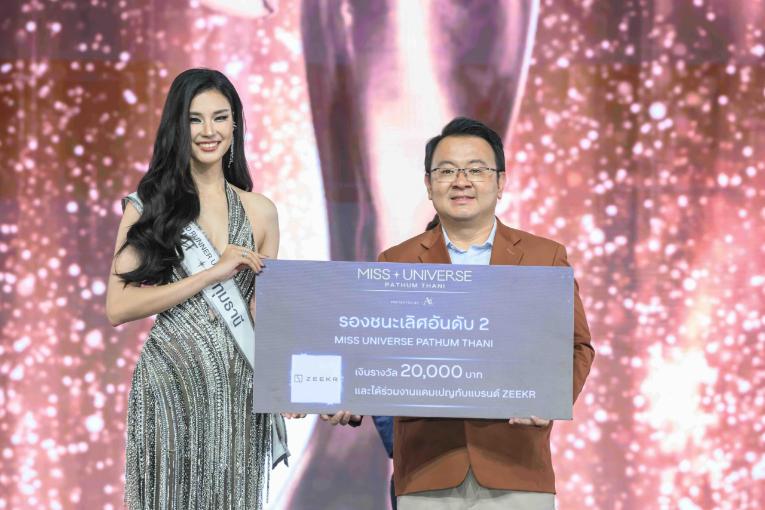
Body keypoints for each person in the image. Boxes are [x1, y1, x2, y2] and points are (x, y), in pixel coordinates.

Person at [326, 117, 595, 509]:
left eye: (476, 170)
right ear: (428, 183)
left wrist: (551, 397)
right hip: (426, 469)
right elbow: (375, 354)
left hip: (517, 466)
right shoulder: (396, 262)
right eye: (447, 171)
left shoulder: (545, 256)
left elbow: (576, 346)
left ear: (501, 182)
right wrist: (345, 393)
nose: (461, 181)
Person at [105, 68, 297, 510]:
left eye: (220, 117)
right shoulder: (150, 206)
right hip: (169, 383)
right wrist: (210, 274)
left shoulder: (261, 211)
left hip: (239, 387)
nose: (209, 131)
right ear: (177, 125)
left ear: (236, 125)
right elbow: (118, 306)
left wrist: (289, 382)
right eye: (195, 119)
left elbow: (264, 313)